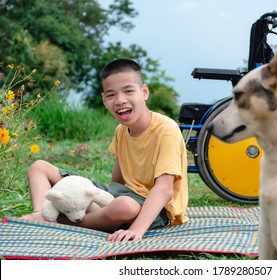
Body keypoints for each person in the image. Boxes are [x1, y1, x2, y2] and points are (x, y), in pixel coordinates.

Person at [22, 59, 189, 242]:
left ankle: (62, 222)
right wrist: (97, 200)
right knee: (39, 167)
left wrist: (137, 230)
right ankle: (41, 214)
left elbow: (164, 190)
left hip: (155, 208)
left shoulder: (166, 130)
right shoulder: (121, 130)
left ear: (144, 92)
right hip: (120, 196)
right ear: (104, 100)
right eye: (111, 95)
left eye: (128, 91)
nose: (120, 100)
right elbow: (115, 184)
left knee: (124, 206)